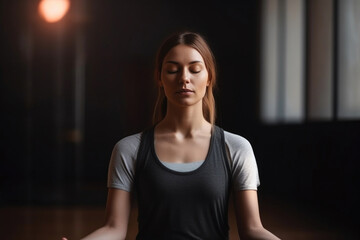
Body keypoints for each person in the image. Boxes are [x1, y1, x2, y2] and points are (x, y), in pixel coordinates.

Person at [62, 31, 280, 240]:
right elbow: (114, 228)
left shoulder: (236, 147)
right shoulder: (129, 149)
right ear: (159, 77)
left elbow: (252, 229)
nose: (184, 78)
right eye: (173, 69)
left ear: (209, 77)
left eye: (195, 69)